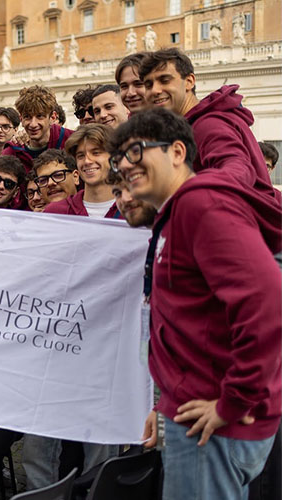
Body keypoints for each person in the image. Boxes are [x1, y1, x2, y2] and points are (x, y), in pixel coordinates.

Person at [109, 108, 281, 499]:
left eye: (136, 151)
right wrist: (168, 404)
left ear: (177, 152)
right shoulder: (175, 214)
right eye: (120, 157)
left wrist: (233, 402)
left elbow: (268, 300)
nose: (125, 164)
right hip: (192, 414)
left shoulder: (201, 205)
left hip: (214, 427)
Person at [140, 47, 279, 201]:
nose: (155, 90)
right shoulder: (193, 124)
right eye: (148, 85)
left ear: (189, 82)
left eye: (164, 80)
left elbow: (237, 166)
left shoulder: (207, 124)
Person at [44, 124, 119, 218]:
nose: (87, 161)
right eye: (80, 156)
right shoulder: (55, 213)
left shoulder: (137, 208)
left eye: (96, 153)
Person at [3, 85, 74, 173]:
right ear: (21, 119)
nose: (33, 124)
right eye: (27, 117)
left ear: (52, 117)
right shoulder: (12, 152)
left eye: (39, 116)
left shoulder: (71, 141)